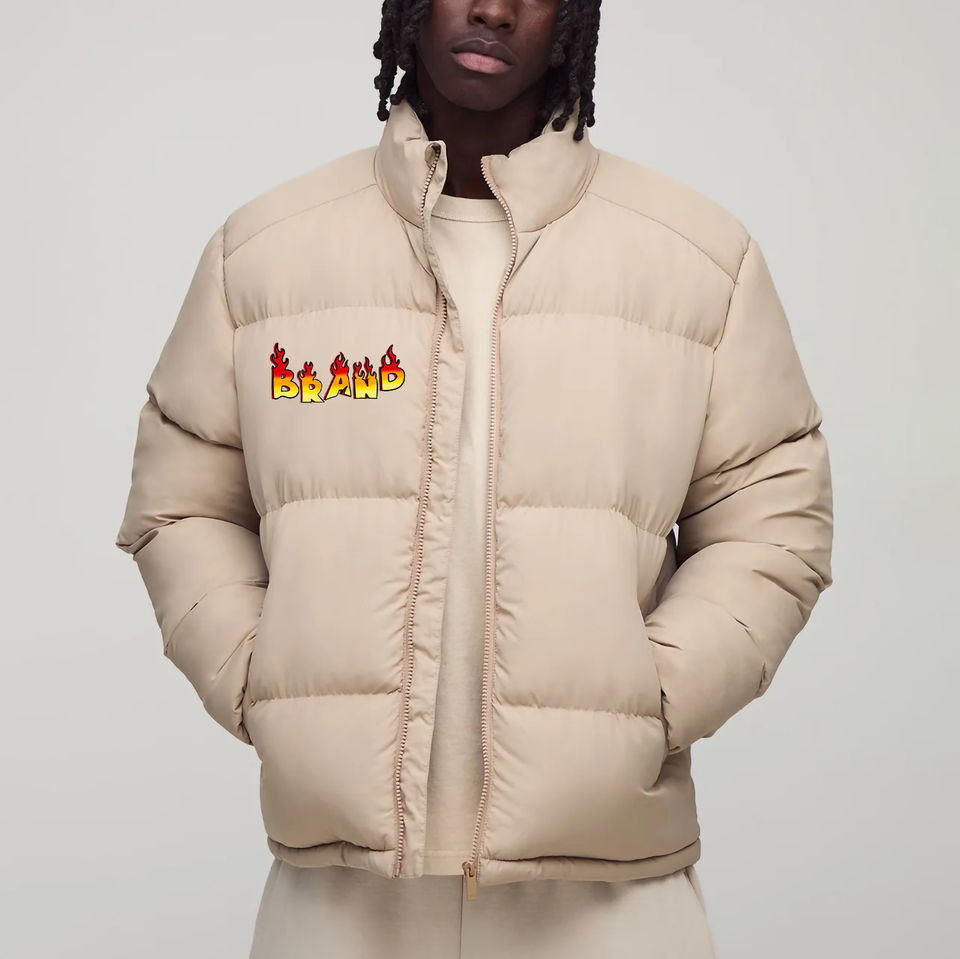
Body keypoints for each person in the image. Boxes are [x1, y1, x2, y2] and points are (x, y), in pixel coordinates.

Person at [114, 1, 834, 956]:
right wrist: (263, 678)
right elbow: (183, 500)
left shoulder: (697, 258)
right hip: (338, 898)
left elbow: (771, 516)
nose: (492, 7)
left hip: (611, 899)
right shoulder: (266, 254)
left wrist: (649, 699)